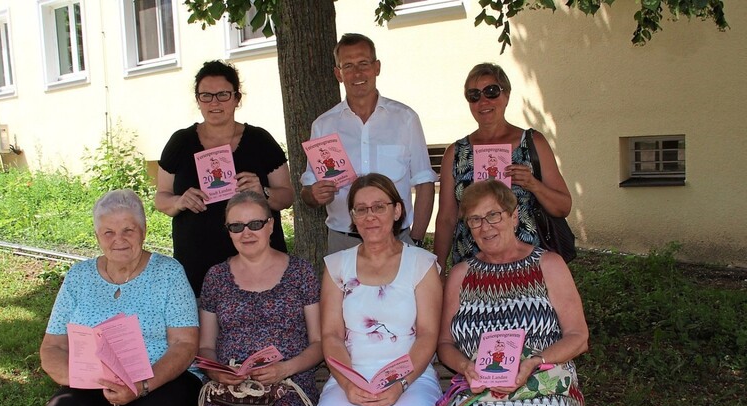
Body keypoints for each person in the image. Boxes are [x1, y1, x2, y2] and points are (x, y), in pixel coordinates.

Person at [39, 189, 201, 406]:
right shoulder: (78, 277)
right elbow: (53, 346)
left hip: (161, 380)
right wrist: (82, 378)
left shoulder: (169, 273)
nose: (119, 240)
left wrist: (141, 386)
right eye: (109, 233)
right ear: (97, 237)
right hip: (97, 383)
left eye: (128, 230)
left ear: (144, 230)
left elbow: (184, 344)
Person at [436, 180, 588, 406]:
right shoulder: (461, 274)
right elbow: (445, 343)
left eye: (493, 215)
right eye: (475, 220)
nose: (485, 226)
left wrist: (535, 362)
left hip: (542, 384)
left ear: (514, 216)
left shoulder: (548, 265)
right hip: (481, 388)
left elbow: (578, 337)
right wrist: (465, 367)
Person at [309, 173, 443, 406]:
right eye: (361, 209)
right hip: (351, 376)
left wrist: (400, 384)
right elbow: (332, 335)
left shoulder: (422, 264)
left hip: (411, 379)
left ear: (397, 210)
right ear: (353, 217)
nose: (370, 216)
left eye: (379, 206)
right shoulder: (337, 265)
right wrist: (348, 384)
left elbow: (428, 335)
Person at [196, 191, 322, 406]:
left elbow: (319, 342)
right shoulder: (216, 277)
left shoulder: (300, 272)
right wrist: (216, 371)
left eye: (255, 224)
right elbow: (206, 346)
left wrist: (284, 369)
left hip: (286, 387)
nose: (247, 233)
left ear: (271, 225)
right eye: (236, 226)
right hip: (230, 390)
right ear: (228, 231)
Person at [156, 60, 294, 297]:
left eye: (222, 94)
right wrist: (179, 201)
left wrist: (264, 193)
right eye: (206, 96)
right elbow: (161, 198)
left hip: (257, 263)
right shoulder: (180, 142)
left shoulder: (260, 140)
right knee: (204, 333)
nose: (215, 102)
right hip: (197, 264)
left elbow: (287, 195)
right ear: (198, 100)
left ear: (237, 98)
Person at [301, 33, 438, 254]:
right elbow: (308, 191)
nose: (357, 73)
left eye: (364, 63)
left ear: (377, 67)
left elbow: (424, 182)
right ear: (338, 74)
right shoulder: (323, 125)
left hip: (397, 241)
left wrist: (416, 241)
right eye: (348, 66)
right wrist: (314, 195)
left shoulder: (405, 119)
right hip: (344, 243)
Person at [434, 62, 572, 272]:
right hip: (472, 266)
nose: (483, 101)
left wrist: (533, 185)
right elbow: (446, 218)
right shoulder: (456, 153)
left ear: (506, 95)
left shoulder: (533, 143)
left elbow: (563, 206)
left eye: (491, 91)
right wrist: (439, 267)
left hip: (528, 266)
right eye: (474, 95)